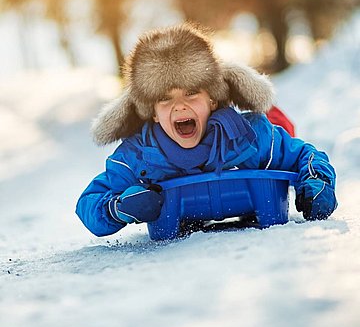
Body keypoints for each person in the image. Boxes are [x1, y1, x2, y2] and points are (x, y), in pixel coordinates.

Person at [76, 23, 337, 237]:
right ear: (152, 113)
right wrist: (118, 208)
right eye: (165, 99)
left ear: (212, 99)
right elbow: (89, 201)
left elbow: (305, 155)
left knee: (279, 125)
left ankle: (277, 117)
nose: (179, 106)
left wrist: (317, 182)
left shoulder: (250, 137)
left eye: (191, 94)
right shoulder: (139, 156)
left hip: (252, 140)